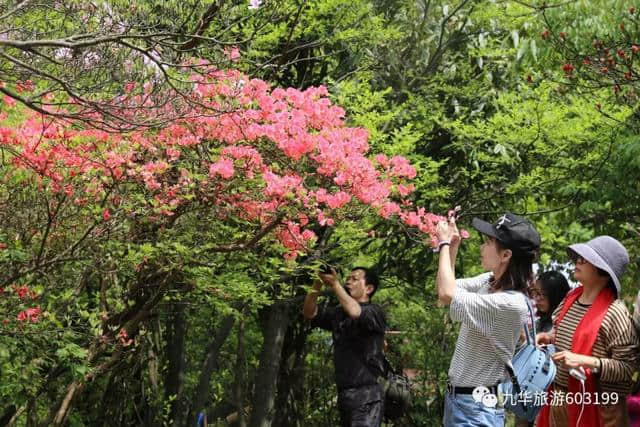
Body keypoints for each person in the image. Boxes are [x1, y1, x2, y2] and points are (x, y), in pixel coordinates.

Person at [435, 212, 541, 427]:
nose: (482, 247)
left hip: (476, 409)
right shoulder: (490, 281)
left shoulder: (508, 304)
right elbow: (445, 291)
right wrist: (452, 247)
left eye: (489, 242)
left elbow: (447, 293)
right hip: (460, 401)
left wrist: (444, 243)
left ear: (506, 255)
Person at [536, 235, 640, 427]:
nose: (578, 261)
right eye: (578, 256)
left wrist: (585, 361)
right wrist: (549, 338)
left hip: (599, 409)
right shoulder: (571, 298)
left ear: (603, 271)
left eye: (586, 258)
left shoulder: (615, 313)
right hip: (559, 398)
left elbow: (627, 368)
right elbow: (565, 335)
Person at [303, 266, 386, 427]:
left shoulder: (375, 312)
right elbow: (308, 312)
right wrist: (318, 283)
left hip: (367, 395)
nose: (348, 281)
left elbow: (355, 312)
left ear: (369, 289)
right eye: (347, 278)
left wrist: (335, 284)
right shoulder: (339, 313)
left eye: (355, 279)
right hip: (345, 394)